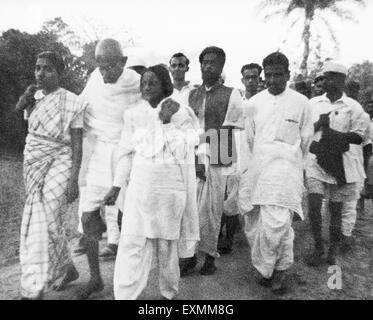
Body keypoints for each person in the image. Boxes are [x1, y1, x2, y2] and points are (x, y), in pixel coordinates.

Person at [104, 65, 200, 300]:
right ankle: (125, 295)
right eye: (143, 83)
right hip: (140, 187)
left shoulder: (182, 112)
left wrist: (166, 122)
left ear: (165, 85)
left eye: (152, 83)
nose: (146, 87)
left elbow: (184, 151)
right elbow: (126, 152)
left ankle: (168, 294)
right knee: (131, 242)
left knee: (166, 246)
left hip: (169, 188)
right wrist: (116, 187)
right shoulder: (133, 114)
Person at [16, 51, 87, 299]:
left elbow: (78, 143)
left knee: (47, 216)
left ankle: (38, 282)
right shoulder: (33, 98)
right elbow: (29, 130)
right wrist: (24, 102)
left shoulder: (72, 101)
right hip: (34, 158)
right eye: (37, 68)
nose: (40, 73)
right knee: (45, 218)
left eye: (47, 69)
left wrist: (73, 179)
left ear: (59, 73)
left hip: (61, 157)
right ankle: (67, 267)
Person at [243, 52, 313, 294]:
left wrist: (293, 164)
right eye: (269, 75)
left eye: (278, 75)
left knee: (279, 222)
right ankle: (268, 267)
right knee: (256, 221)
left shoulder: (302, 102)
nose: (273, 80)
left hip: (286, 169)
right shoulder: (253, 104)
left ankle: (278, 269)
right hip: (259, 168)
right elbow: (249, 138)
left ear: (288, 75)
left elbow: (306, 139)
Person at [77, 39, 141, 299]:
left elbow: (156, 105)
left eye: (110, 67)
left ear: (124, 62)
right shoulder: (94, 78)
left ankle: (127, 279)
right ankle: (95, 278)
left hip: (127, 154)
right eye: (100, 66)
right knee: (87, 216)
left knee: (128, 219)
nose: (105, 73)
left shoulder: (137, 81)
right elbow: (81, 106)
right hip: (99, 153)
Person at [182, 46, 244, 275]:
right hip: (195, 155)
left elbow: (230, 128)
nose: (208, 66)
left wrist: (205, 155)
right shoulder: (193, 94)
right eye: (204, 62)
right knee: (191, 209)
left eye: (213, 63)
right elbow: (189, 127)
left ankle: (209, 257)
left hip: (218, 155)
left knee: (211, 210)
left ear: (221, 67)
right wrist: (196, 155)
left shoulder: (232, 93)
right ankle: (188, 255)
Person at [305, 61, 369, 267]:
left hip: (340, 165)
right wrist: (319, 124)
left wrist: (331, 134)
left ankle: (332, 249)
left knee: (335, 210)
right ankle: (318, 247)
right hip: (316, 161)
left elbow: (358, 137)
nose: (328, 81)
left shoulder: (354, 107)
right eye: (325, 77)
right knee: (314, 206)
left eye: (334, 77)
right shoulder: (313, 104)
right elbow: (305, 131)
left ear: (343, 81)